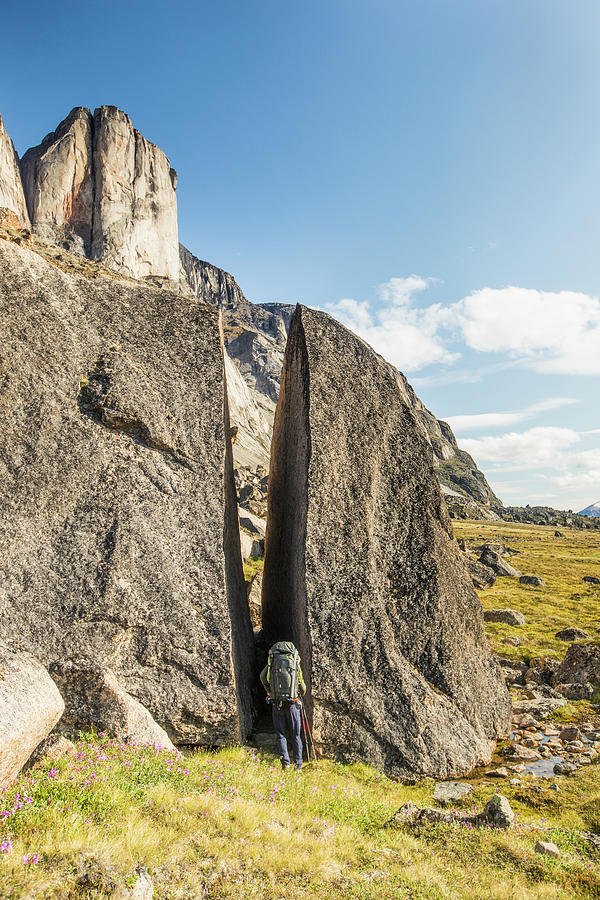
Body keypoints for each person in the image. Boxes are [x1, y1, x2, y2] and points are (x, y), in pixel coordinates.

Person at [260, 640, 306, 770]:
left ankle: (285, 763)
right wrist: (300, 695)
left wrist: (269, 691)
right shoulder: (294, 662)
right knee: (296, 735)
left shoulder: (273, 661)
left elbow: (263, 676)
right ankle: (298, 764)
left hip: (277, 703)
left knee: (281, 734)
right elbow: (302, 685)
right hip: (292, 704)